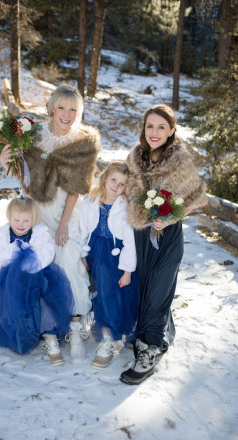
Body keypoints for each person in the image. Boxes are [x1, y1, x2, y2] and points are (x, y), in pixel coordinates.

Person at [0, 84, 100, 363]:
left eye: (73, 109)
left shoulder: (84, 141)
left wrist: (64, 224)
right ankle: (47, 330)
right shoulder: (32, 133)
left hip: (66, 211)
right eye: (62, 107)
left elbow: (78, 188)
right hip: (37, 210)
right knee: (39, 266)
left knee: (68, 262)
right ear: (52, 108)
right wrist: (4, 159)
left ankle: (76, 329)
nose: (67, 114)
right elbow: (22, 172)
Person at [120, 103, 208, 385]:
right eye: (150, 126)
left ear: (171, 131)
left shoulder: (180, 161)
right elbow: (125, 193)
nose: (154, 132)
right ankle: (155, 334)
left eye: (161, 127)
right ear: (143, 129)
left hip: (167, 237)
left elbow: (196, 195)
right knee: (145, 290)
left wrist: (169, 219)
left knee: (159, 291)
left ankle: (148, 352)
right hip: (140, 235)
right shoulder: (133, 159)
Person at [0, 197, 74, 366]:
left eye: (26, 220)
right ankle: (18, 335)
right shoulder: (3, 234)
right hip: (12, 280)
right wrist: (16, 253)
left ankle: (49, 335)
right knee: (14, 306)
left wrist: (31, 263)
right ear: (9, 218)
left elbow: (48, 252)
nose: (20, 224)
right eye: (16, 220)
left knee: (44, 302)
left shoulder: (39, 233)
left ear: (33, 220)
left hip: (38, 275)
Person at [80, 162, 139, 369]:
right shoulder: (89, 201)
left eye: (122, 184)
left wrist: (127, 271)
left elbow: (130, 240)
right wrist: (82, 255)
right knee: (99, 292)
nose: (116, 186)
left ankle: (109, 336)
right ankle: (106, 330)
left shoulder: (125, 207)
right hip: (95, 250)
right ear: (104, 178)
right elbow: (83, 231)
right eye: (113, 180)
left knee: (110, 291)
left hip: (116, 254)